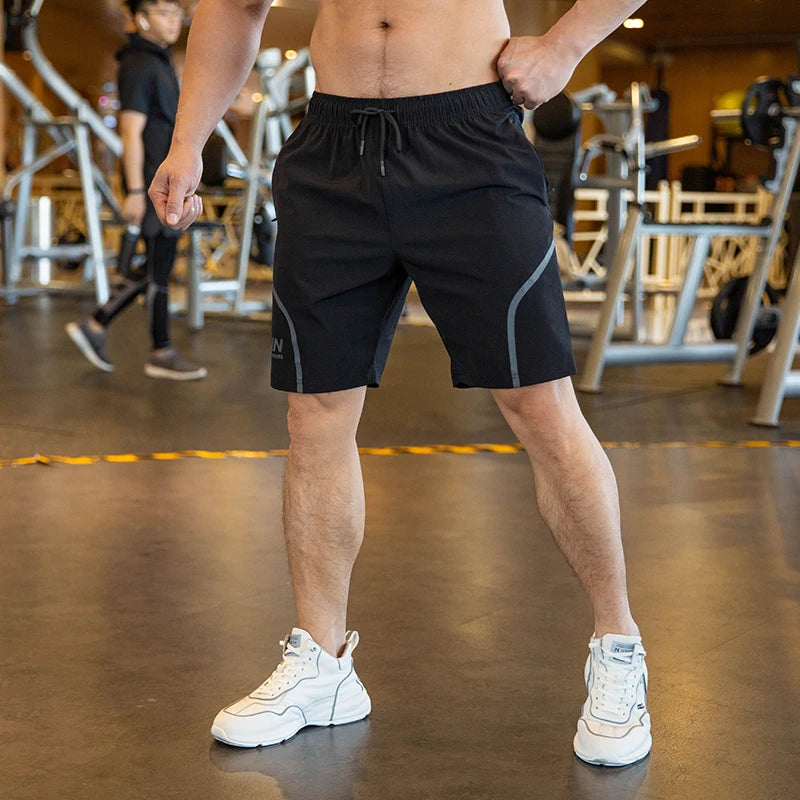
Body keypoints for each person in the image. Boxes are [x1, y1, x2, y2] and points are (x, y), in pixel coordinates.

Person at [151, 0, 650, 767]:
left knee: (539, 405)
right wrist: (189, 140)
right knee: (314, 414)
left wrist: (565, 45)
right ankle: (323, 664)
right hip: (330, 149)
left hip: (469, 143)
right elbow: (234, 6)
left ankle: (618, 647)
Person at [66, 0, 206, 381]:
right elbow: (130, 132)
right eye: (164, 12)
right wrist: (133, 189)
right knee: (159, 269)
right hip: (151, 186)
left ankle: (95, 325)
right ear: (142, 19)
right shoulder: (139, 64)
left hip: (164, 181)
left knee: (154, 267)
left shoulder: (159, 61)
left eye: (177, 13)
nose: (174, 20)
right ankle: (160, 350)